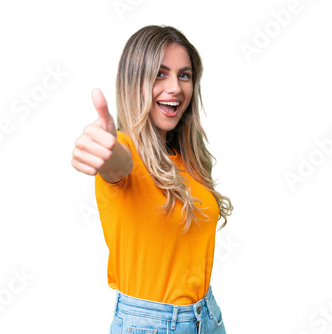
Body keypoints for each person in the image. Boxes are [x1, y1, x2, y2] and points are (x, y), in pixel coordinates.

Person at [72, 25, 233, 333]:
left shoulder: (188, 158)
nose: (175, 87)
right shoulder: (125, 152)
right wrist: (102, 149)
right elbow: (115, 162)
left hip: (207, 315)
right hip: (152, 324)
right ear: (135, 82)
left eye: (183, 75)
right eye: (160, 73)